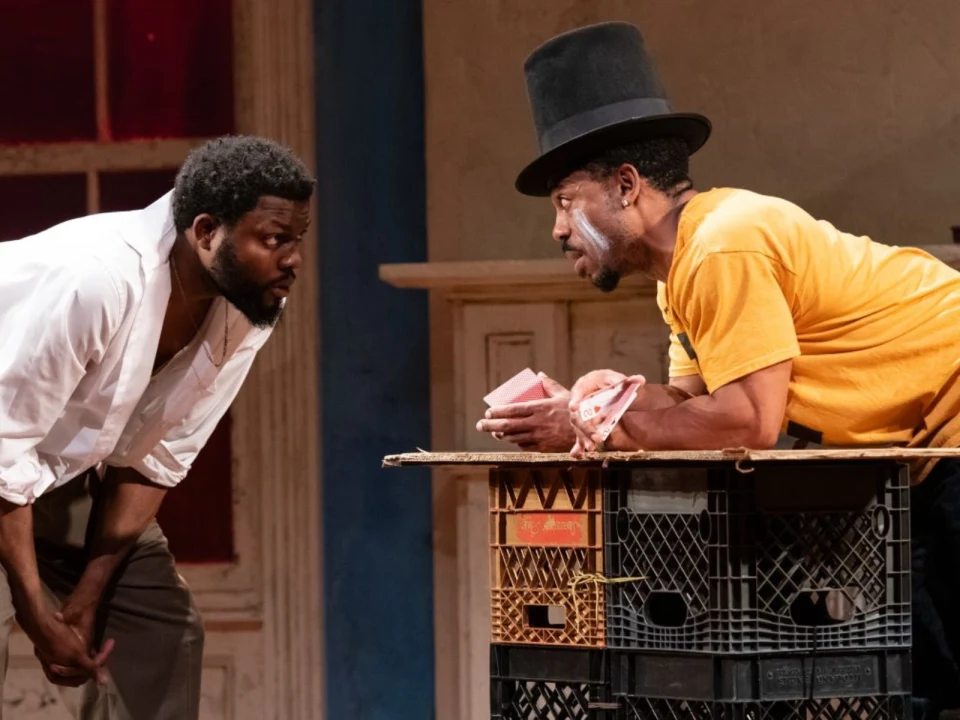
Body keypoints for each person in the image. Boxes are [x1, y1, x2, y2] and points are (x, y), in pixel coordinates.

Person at [476, 22, 960, 717]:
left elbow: (747, 422)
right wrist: (596, 402)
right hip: (929, 453)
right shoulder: (683, 275)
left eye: (564, 201)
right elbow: (692, 399)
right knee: (922, 673)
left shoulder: (723, 246)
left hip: (953, 419)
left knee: (930, 670)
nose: (557, 229)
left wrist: (599, 429)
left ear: (625, 185)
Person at [0, 135, 314, 719]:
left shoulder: (247, 302)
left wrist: (87, 599)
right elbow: (2, 453)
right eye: (273, 240)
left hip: (51, 471)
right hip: (7, 460)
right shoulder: (97, 278)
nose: (292, 259)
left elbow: (157, 454)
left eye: (297, 239)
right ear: (205, 232)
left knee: (161, 632)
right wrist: (37, 616)